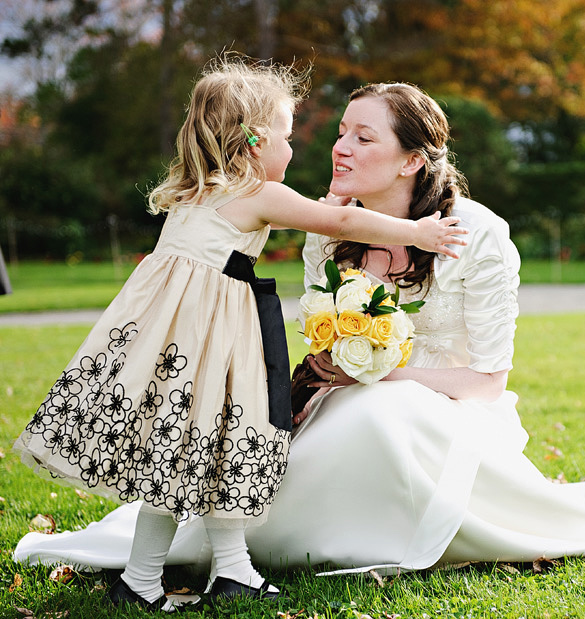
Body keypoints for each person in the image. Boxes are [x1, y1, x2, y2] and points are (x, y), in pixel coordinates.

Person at [13, 82, 585, 583]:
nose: (338, 147)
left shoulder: (482, 236)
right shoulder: (325, 228)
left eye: (361, 136)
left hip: (450, 415)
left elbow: (488, 380)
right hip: (342, 399)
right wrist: (338, 371)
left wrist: (381, 372)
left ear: (412, 159)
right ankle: (221, 550)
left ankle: (244, 549)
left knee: (384, 409)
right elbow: (321, 316)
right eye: (340, 130)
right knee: (283, 441)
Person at [10, 62, 466, 613]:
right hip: (212, 351)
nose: (294, 151)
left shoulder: (196, 191)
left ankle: (226, 571)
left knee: (202, 459)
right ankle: (146, 578)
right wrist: (416, 232)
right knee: (202, 460)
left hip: (177, 354)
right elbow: (341, 226)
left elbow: (320, 216)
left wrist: (326, 206)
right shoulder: (258, 191)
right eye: (287, 137)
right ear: (255, 141)